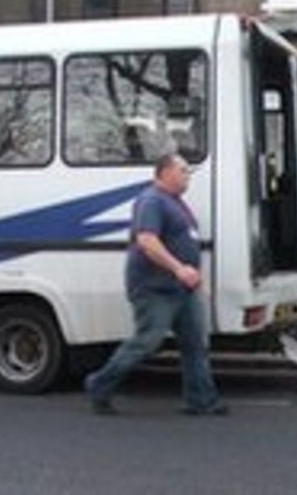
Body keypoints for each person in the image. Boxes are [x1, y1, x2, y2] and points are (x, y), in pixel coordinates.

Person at [84, 153, 227, 416]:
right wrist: (179, 268)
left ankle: (202, 400)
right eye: (183, 170)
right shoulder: (151, 200)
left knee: (195, 343)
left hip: (183, 288)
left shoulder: (177, 204)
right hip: (155, 288)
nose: (188, 176)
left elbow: (186, 241)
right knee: (147, 342)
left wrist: (194, 276)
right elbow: (147, 241)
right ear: (166, 172)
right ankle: (99, 384)